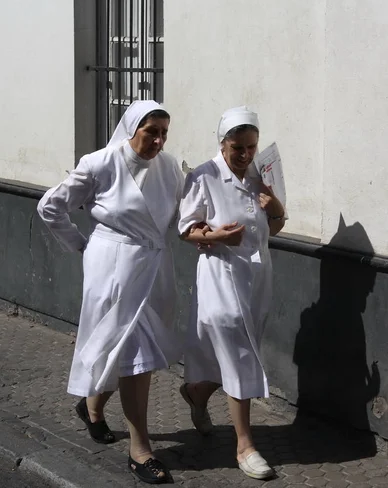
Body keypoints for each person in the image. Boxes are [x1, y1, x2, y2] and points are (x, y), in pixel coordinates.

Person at [37, 100, 184, 485]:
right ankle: (140, 451)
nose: (158, 140)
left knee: (118, 351)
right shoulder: (100, 162)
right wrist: (81, 245)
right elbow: (50, 206)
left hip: (153, 267)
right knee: (135, 353)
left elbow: (185, 211)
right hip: (113, 267)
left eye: (164, 133)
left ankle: (92, 407)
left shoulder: (169, 167)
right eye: (151, 131)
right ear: (132, 128)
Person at [178, 106, 286, 481]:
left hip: (256, 277)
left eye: (250, 147)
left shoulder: (259, 174)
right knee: (240, 353)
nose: (244, 155)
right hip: (220, 275)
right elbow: (186, 230)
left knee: (240, 349)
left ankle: (197, 392)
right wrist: (219, 236)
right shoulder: (203, 176)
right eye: (237, 148)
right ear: (222, 144)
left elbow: (276, 226)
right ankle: (245, 445)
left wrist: (278, 209)